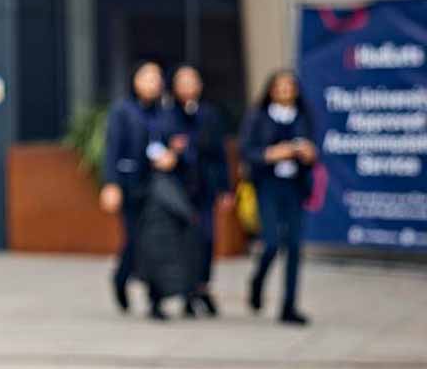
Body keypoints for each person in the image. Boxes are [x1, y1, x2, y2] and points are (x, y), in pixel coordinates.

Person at [101, 60, 177, 319]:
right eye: (147, 77)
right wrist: (111, 184)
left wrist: (172, 156)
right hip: (130, 184)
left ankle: (156, 301)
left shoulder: (165, 112)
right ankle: (121, 278)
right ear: (135, 80)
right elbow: (112, 148)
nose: (153, 83)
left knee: (156, 243)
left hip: (157, 187)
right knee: (134, 241)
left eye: (157, 78)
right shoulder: (123, 111)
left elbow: (175, 142)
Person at [241, 69, 316, 326]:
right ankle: (258, 281)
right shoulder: (259, 118)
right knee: (272, 242)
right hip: (268, 185)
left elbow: (316, 150)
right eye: (280, 87)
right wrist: (271, 154)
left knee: (294, 246)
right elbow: (247, 151)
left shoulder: (303, 118)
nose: (285, 91)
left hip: (294, 186)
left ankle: (289, 305)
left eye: (289, 87)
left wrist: (307, 153)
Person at [166, 66, 229, 317]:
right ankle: (188, 292)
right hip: (179, 188)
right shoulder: (168, 114)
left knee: (207, 238)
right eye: (182, 81)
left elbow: (218, 153)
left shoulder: (210, 114)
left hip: (205, 186)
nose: (188, 86)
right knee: (184, 241)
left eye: (192, 80)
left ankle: (202, 286)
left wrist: (225, 188)